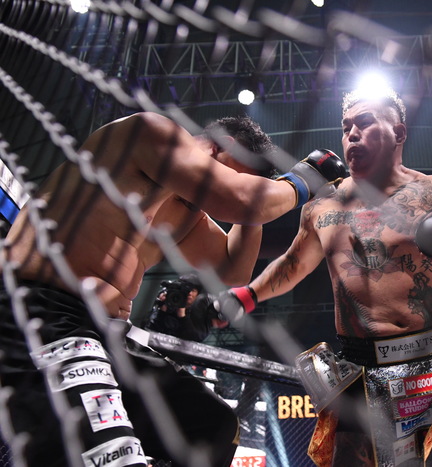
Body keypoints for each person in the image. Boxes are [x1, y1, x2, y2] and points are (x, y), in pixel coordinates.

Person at [218, 89, 432, 466]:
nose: (352, 134)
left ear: (399, 132)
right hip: (364, 373)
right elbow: (293, 264)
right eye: (346, 127)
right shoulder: (322, 205)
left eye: (364, 122)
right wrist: (245, 296)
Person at [0, 111, 346, 467]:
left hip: (106, 334)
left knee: (211, 426)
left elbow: (234, 268)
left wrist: (254, 210)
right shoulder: (151, 133)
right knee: (108, 458)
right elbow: (241, 198)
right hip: (42, 310)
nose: (225, 185)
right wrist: (304, 179)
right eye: (233, 174)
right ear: (221, 146)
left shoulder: (183, 211)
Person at [145, 273, 228, 342]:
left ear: (198, 294)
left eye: (193, 290)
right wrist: (161, 310)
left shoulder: (201, 313)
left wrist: (182, 315)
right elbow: (150, 330)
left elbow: (194, 339)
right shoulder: (169, 300)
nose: (189, 293)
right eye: (186, 290)